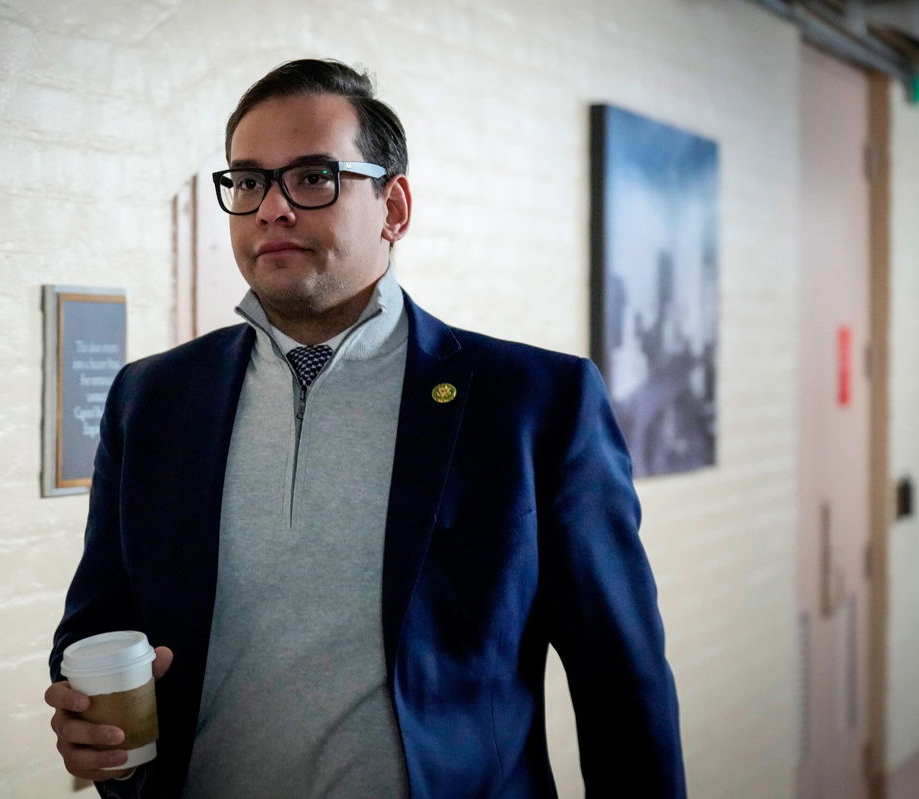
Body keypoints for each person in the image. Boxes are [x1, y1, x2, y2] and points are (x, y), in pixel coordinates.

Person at [46, 58, 686, 799]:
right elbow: (101, 615)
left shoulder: (533, 402)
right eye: (248, 181)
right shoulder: (152, 398)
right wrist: (86, 713)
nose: (271, 209)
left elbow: (620, 679)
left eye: (314, 176)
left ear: (394, 206)